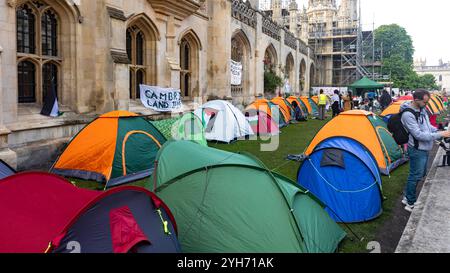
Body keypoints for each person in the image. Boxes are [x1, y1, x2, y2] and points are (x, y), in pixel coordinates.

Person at [400, 89, 450, 212]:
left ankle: (407, 197)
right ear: (416, 100)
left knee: (419, 174)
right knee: (416, 175)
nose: (426, 105)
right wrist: (440, 134)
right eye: (425, 102)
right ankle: (410, 203)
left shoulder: (421, 109)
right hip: (417, 149)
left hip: (424, 148)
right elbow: (419, 135)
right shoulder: (408, 115)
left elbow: (427, 127)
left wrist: (439, 131)